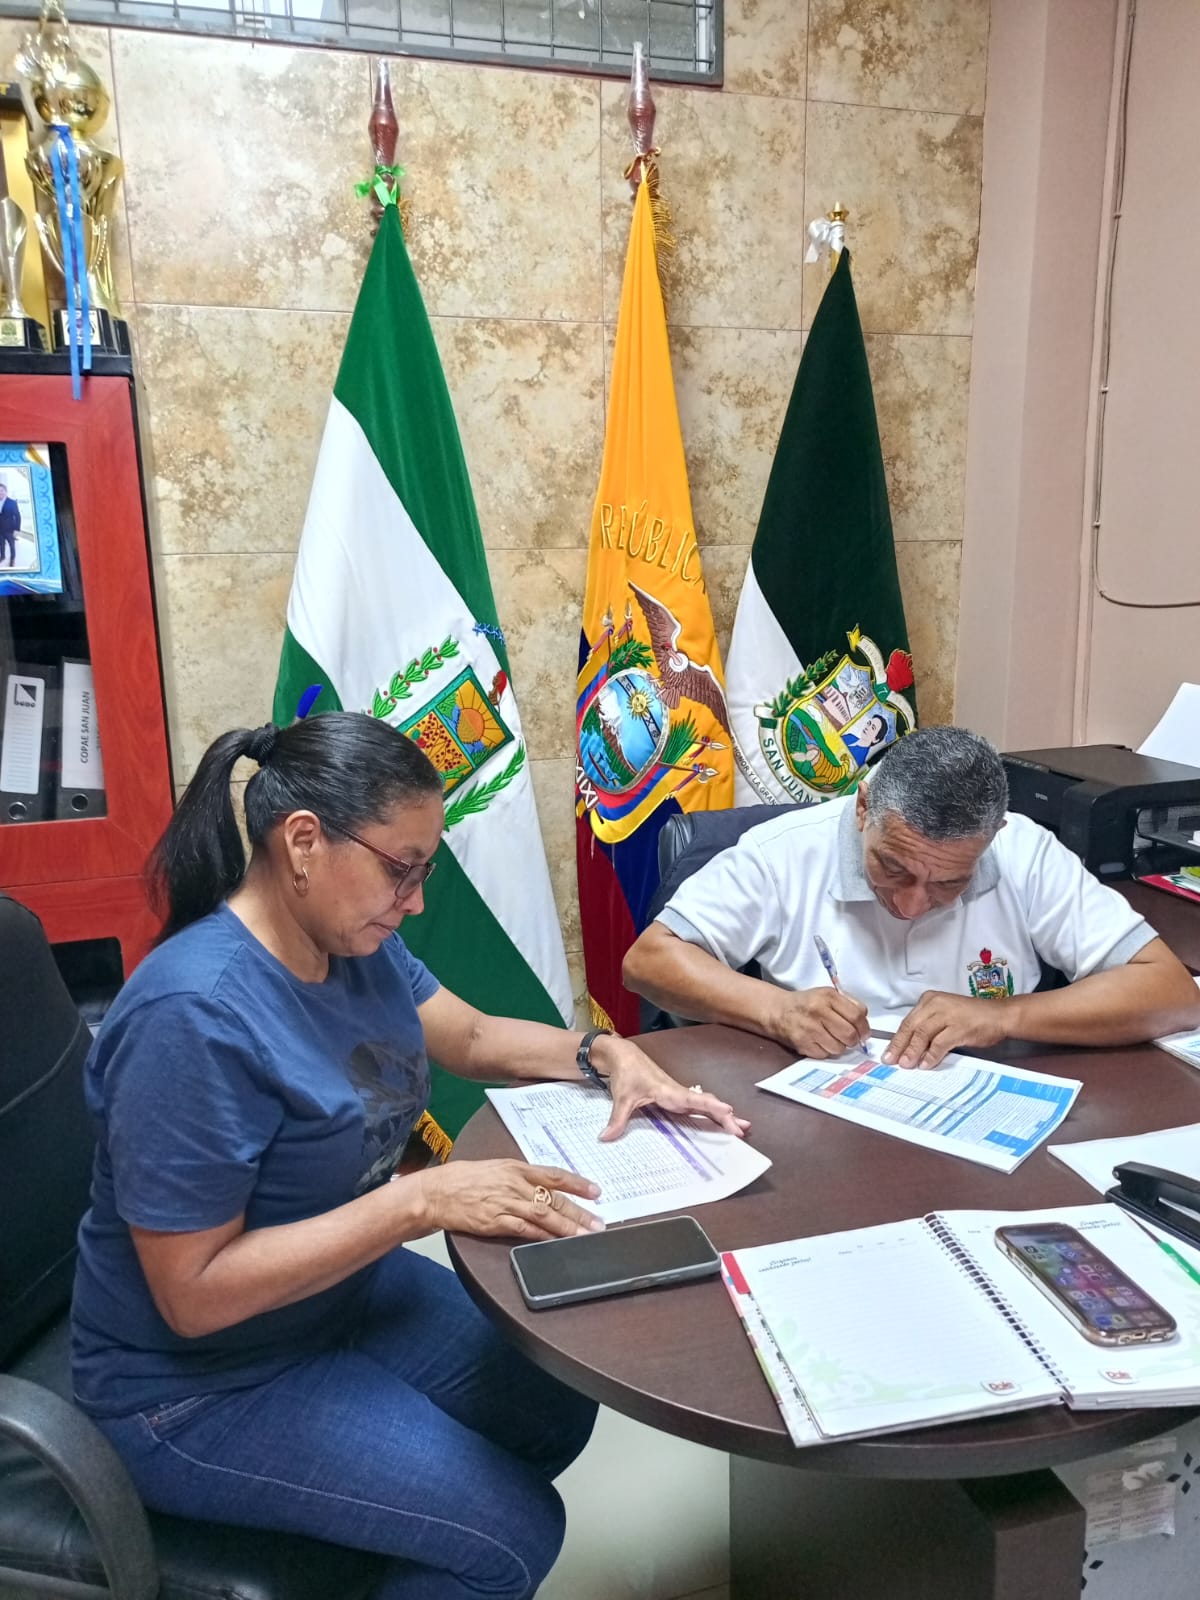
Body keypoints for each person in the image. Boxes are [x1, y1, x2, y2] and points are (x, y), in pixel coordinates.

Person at [72, 711, 749, 1599]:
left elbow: (470, 1036)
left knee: (554, 1396)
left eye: (423, 871)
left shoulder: (351, 941)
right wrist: (419, 1202)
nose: (416, 901)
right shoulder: (191, 1018)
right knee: (513, 1537)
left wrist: (603, 1052)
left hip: (333, 1298)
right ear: (303, 842)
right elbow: (193, 1295)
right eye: (402, 869)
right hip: (195, 1387)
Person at [623, 725, 1200, 1070]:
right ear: (863, 809)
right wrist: (776, 1011)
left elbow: (1171, 994)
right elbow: (649, 960)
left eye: (949, 882)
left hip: (987, 1095)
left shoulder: (1023, 851)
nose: (912, 905)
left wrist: (1003, 1016)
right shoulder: (784, 851)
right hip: (819, 1101)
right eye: (893, 869)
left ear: (993, 836)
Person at [0, 477, 19, 566]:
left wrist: (17, 529)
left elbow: (17, 516)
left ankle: (12, 559)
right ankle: (2, 556)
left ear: (5, 492)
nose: (0, 492)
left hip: (9, 529)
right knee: (1, 544)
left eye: (2, 490)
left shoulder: (12, 502)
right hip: (0, 529)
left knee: (12, 545)